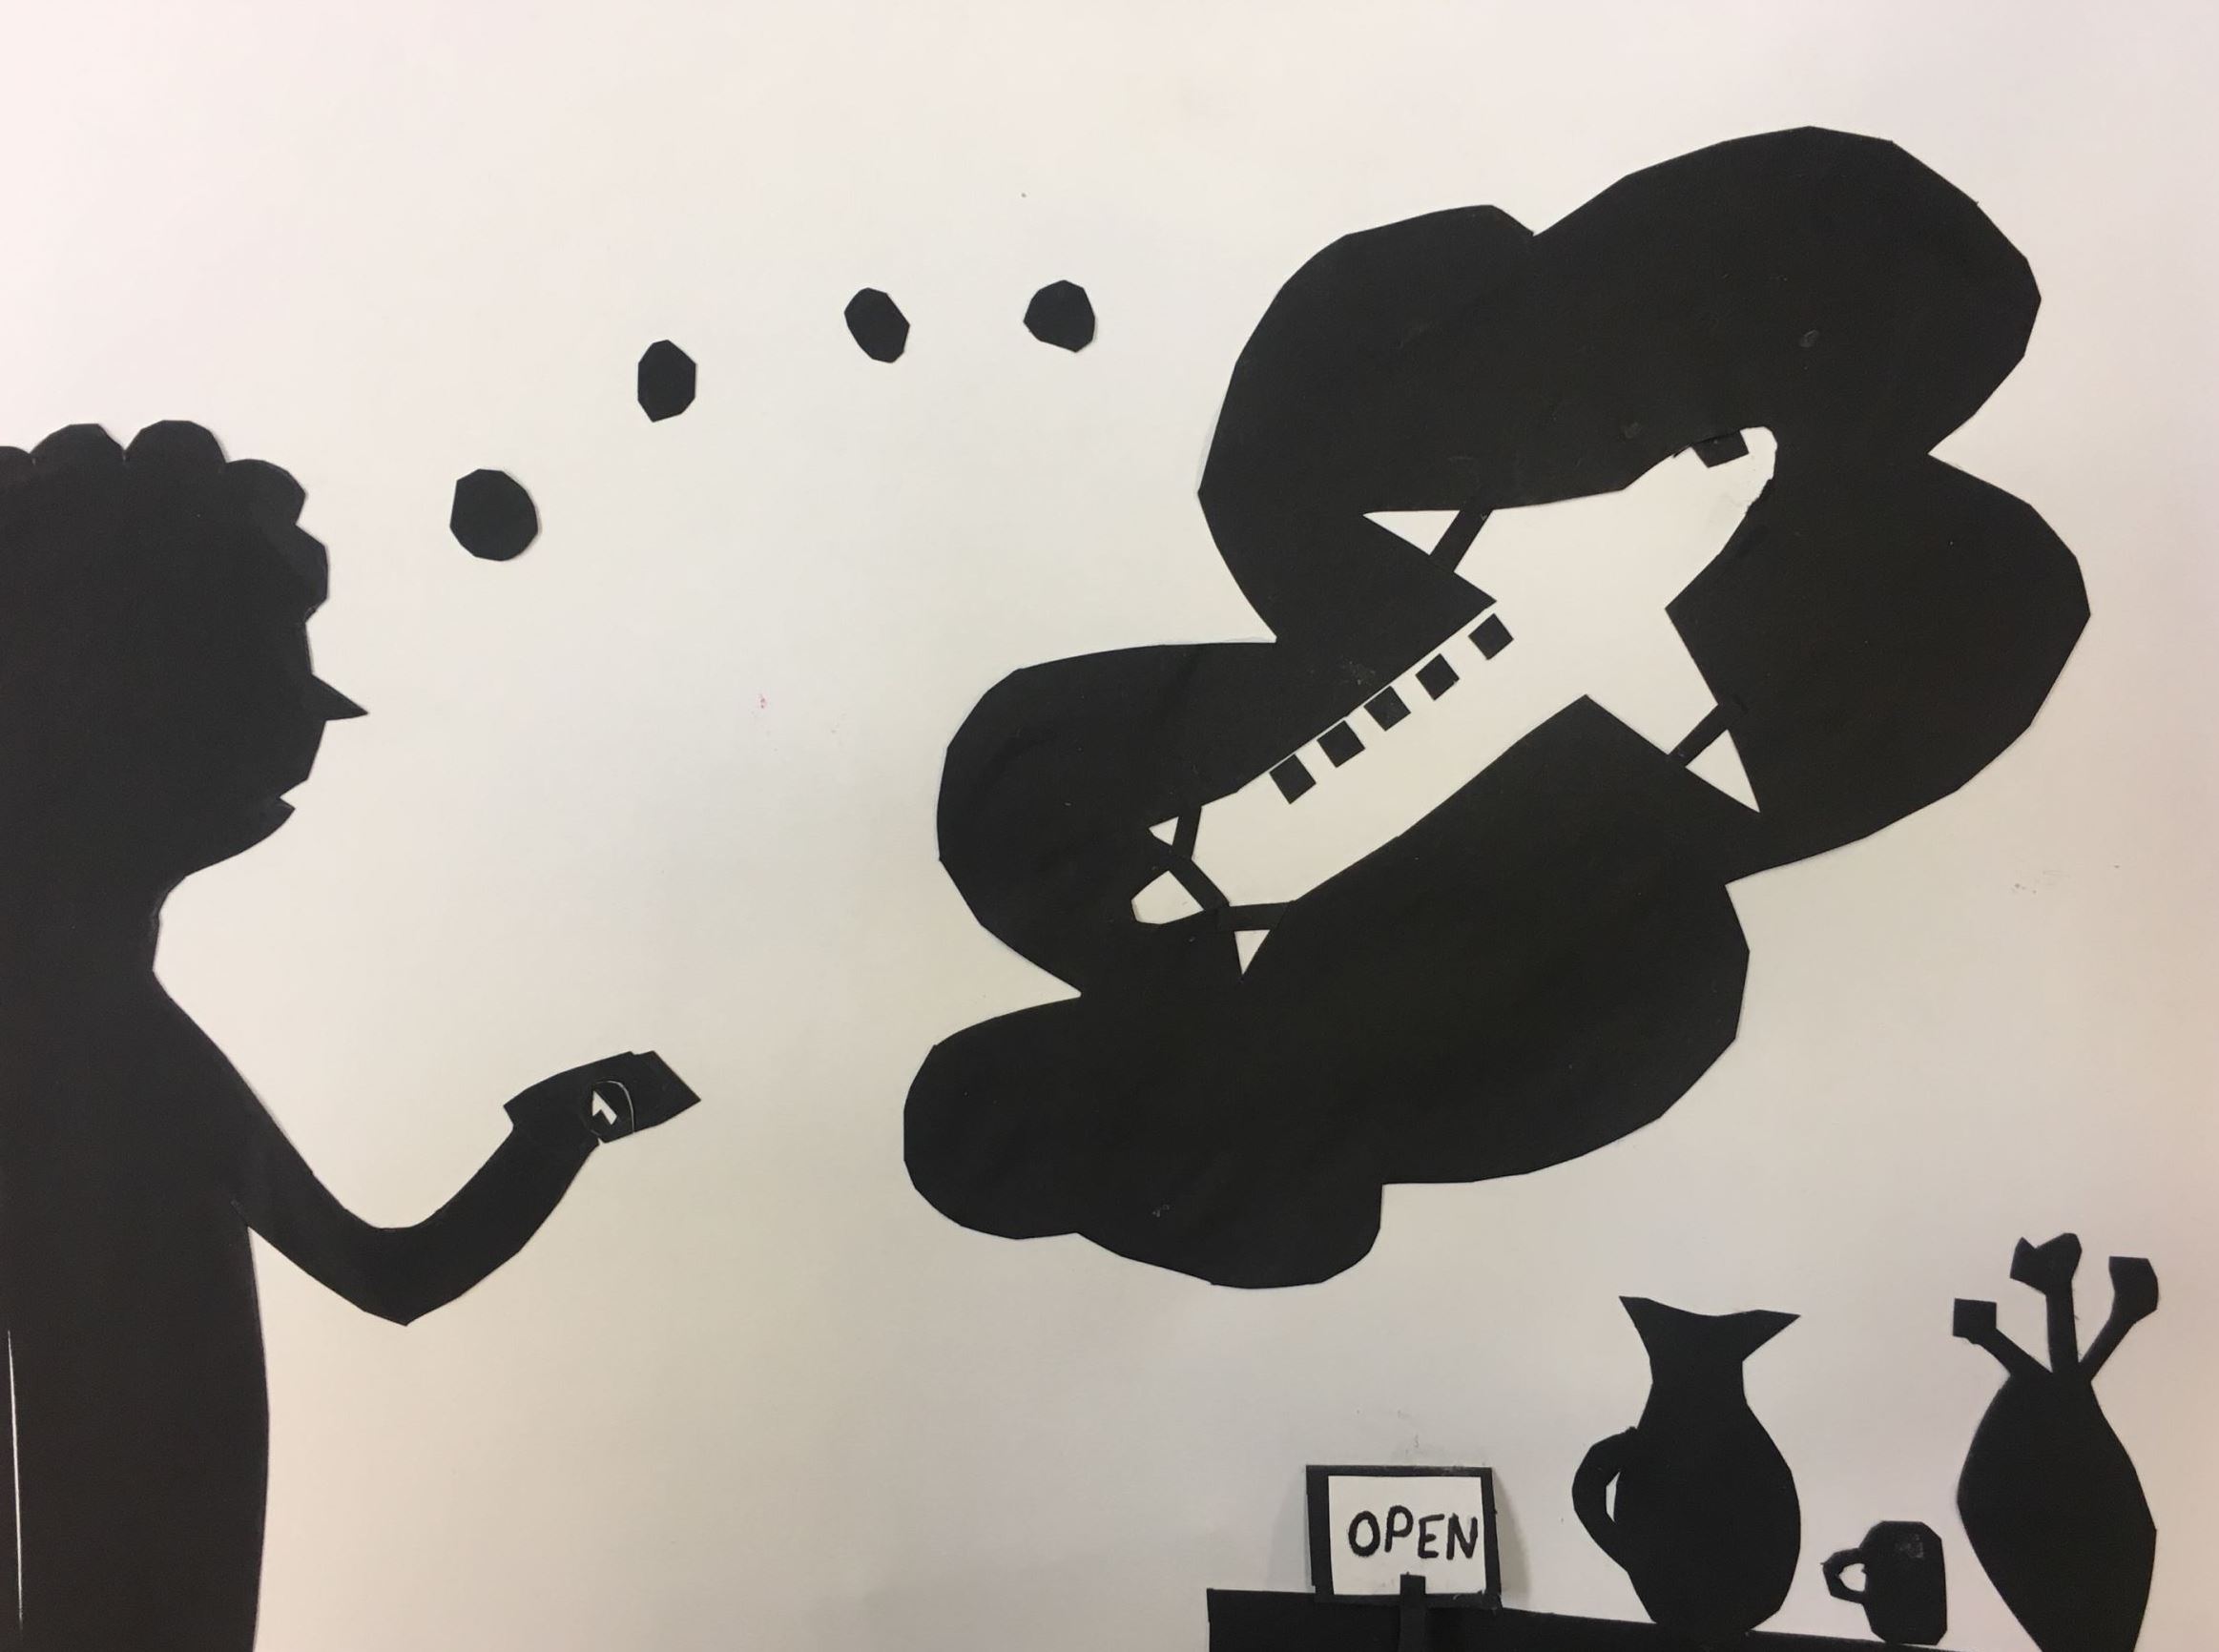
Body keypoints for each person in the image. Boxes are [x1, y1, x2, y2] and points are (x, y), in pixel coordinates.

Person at [0, 422, 696, 1649]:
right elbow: (394, 1277)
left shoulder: (124, 1047)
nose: (283, 776)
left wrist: (563, 1129)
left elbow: (393, 1277)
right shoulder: (132, 1059)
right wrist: (565, 1130)